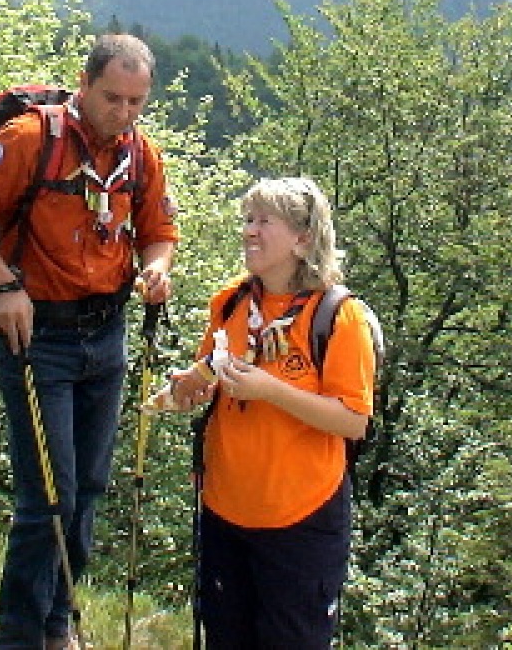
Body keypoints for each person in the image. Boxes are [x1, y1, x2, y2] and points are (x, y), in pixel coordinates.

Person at [0, 33, 178, 650]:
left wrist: (157, 268)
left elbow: (159, 231)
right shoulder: (30, 139)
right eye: (112, 98)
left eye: (136, 102)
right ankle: (19, 635)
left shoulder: (139, 154)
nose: (123, 113)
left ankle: (57, 622)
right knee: (50, 495)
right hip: (37, 332)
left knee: (90, 487)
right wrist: (3, 287)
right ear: (85, 83)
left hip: (108, 332)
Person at [157, 176, 376, 650]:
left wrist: (272, 390)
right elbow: (213, 372)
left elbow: (354, 420)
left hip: (301, 517)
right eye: (247, 220)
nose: (249, 232)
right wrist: (188, 389)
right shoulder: (232, 301)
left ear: (303, 238)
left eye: (264, 222)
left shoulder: (338, 316)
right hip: (224, 508)